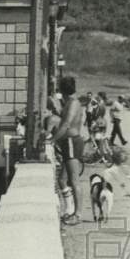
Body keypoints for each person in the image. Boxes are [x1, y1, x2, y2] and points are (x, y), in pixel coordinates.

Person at [51, 75, 86, 225]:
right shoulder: (71, 102)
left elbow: (65, 125)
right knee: (62, 179)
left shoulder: (73, 103)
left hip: (72, 142)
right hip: (69, 142)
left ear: (62, 89)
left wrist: (52, 140)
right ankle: (70, 210)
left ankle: (77, 215)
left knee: (73, 179)